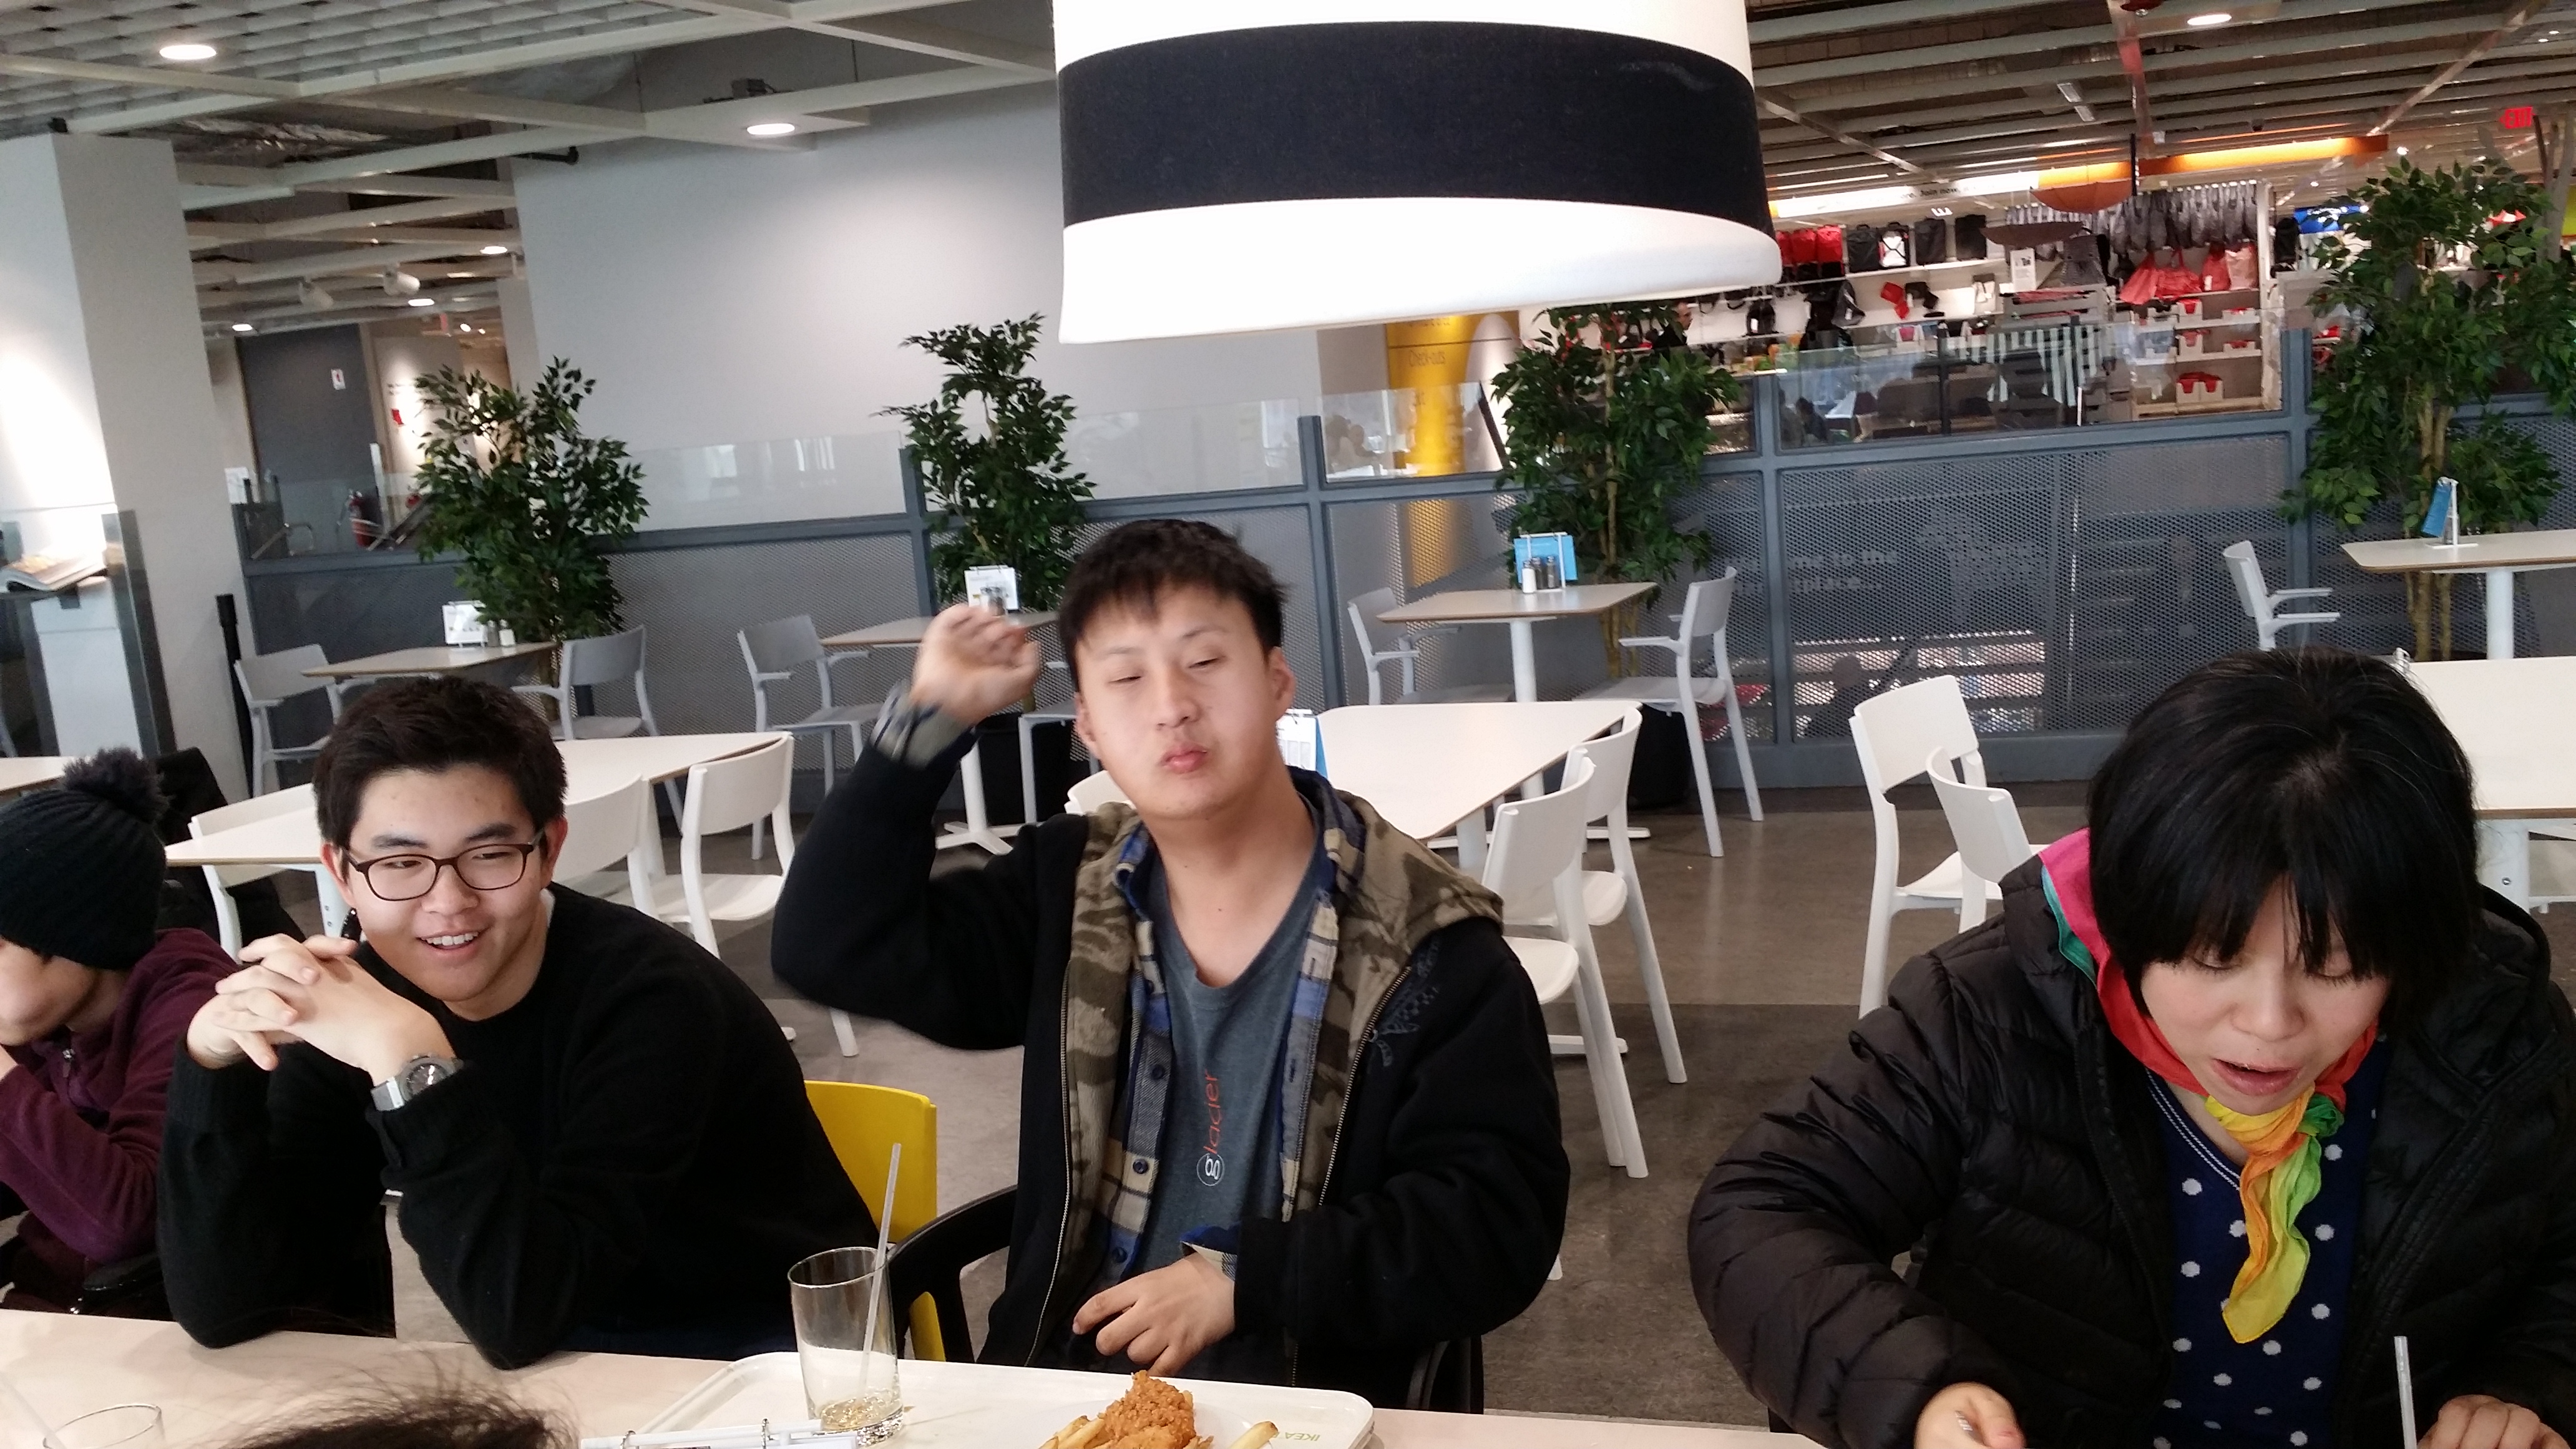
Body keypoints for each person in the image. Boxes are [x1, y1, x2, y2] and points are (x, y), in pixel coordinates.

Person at [1692, 648, 2576, 1449]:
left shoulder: (2492, 1025)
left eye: (2338, 968)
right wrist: (1917, 1391)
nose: (2269, 1023)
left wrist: (2532, 1386)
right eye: (2213, 957)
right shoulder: (1987, 1014)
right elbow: (1764, 1209)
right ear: (2129, 910)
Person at [772, 519, 1567, 1405]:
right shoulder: (1068, 892)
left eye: (1205, 661)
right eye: (1126, 678)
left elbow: (1497, 1227)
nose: (1171, 705)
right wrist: (931, 720)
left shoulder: (1429, 946)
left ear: (1277, 682)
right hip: (1062, 1397)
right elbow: (828, 944)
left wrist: (1245, 1278)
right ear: (1089, 727)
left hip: (1307, 1406)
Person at [159, 676, 870, 1365]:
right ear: (342, 872)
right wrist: (213, 1070)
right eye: (400, 863)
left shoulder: (654, 1000)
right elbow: (229, 1309)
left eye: (490, 855)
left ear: (549, 850)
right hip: (581, 1371)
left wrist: (414, 1066)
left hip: (772, 1367)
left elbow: (521, 1316)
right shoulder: (358, 1003)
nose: (448, 902)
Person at [0, 749, 230, 1312]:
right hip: (55, 1312)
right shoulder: (46, 1020)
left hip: (150, 1327)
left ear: (79, 942)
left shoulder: (197, 1014)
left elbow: (124, 1224)